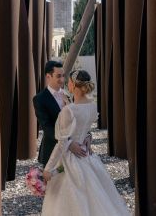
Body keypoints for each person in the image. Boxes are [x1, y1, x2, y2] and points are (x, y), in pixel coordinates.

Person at [41, 69, 130, 216]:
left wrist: (48, 168)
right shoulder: (93, 106)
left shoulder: (68, 110)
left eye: (68, 81)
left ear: (73, 85)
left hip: (70, 160)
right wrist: (88, 137)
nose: (66, 83)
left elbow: (62, 143)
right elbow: (85, 129)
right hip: (86, 155)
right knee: (96, 196)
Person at [33, 61, 92, 167]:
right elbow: (47, 128)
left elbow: (80, 118)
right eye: (58, 76)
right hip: (52, 151)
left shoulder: (71, 93)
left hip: (76, 152)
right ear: (48, 76)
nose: (62, 80)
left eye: (63, 76)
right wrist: (68, 144)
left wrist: (87, 135)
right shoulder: (39, 99)